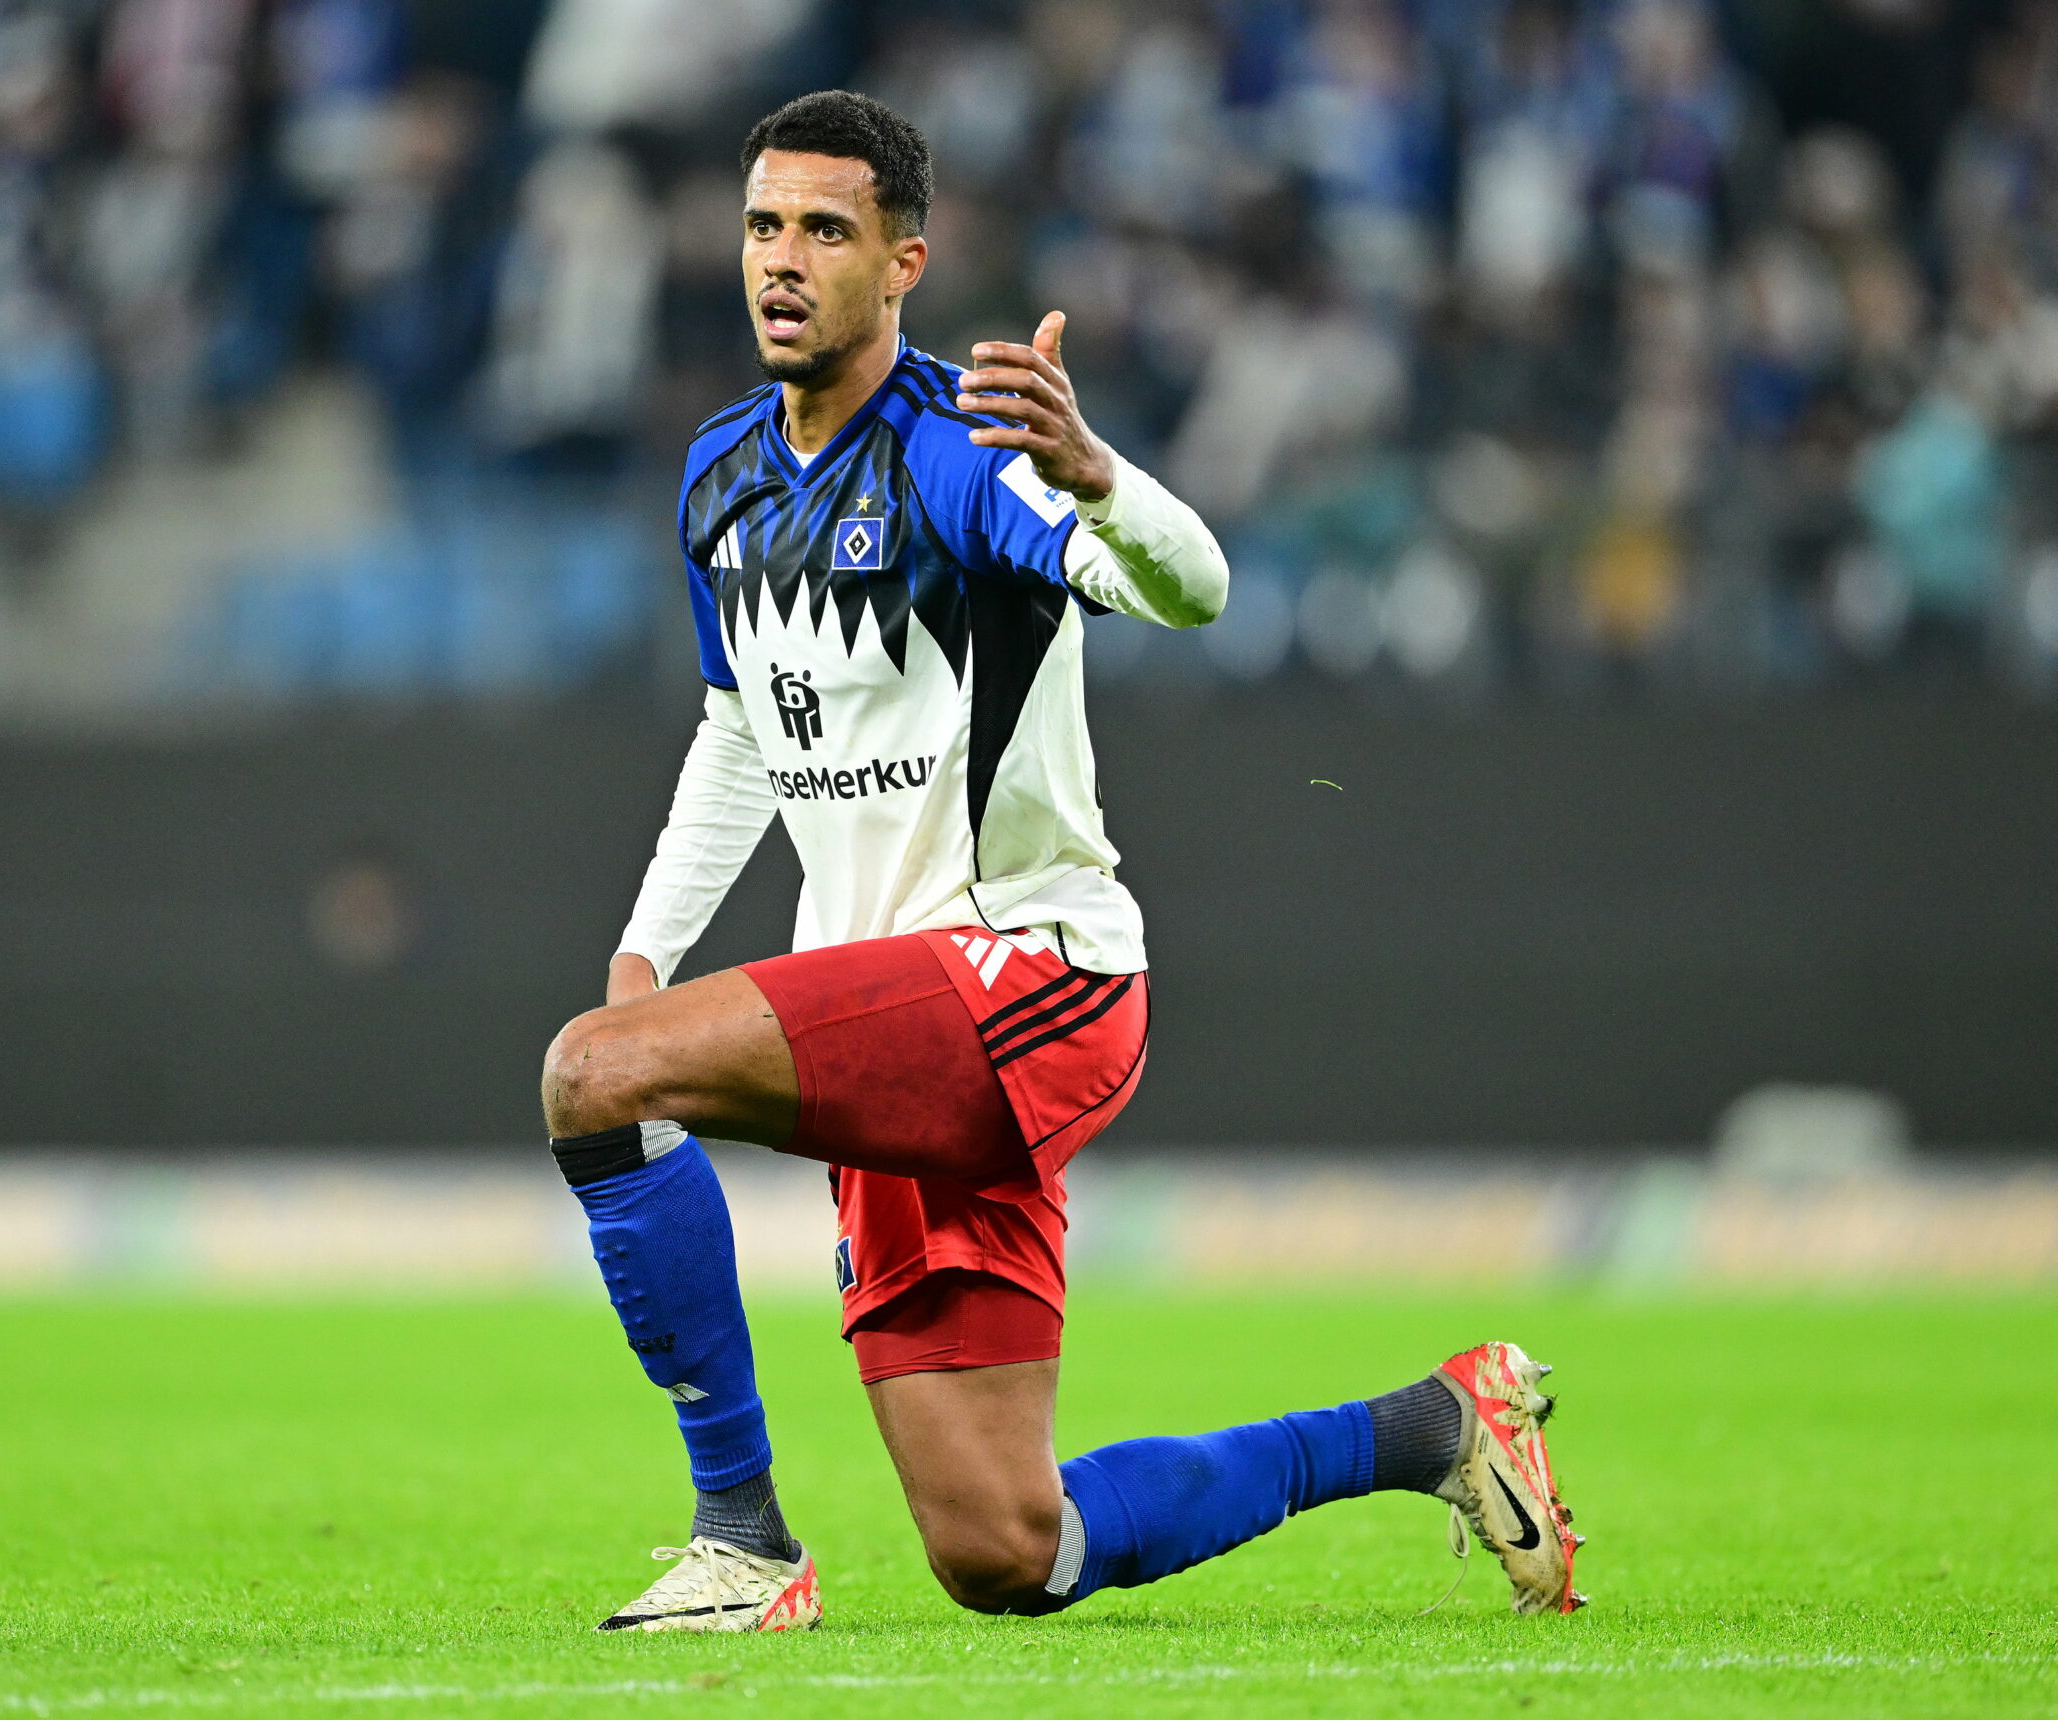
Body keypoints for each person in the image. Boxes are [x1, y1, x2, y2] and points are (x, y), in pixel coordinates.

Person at [540, 90, 1584, 1633]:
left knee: (590, 1080)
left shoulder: (973, 452)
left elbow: (1199, 588)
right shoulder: (720, 478)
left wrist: (1100, 476)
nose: (782, 258)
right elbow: (742, 728)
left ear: (904, 261)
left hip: (1027, 971)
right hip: (888, 1015)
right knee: (1006, 1551)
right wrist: (649, 950)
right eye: (764, 225)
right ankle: (1430, 1427)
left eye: (825, 230)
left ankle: (741, 1540)